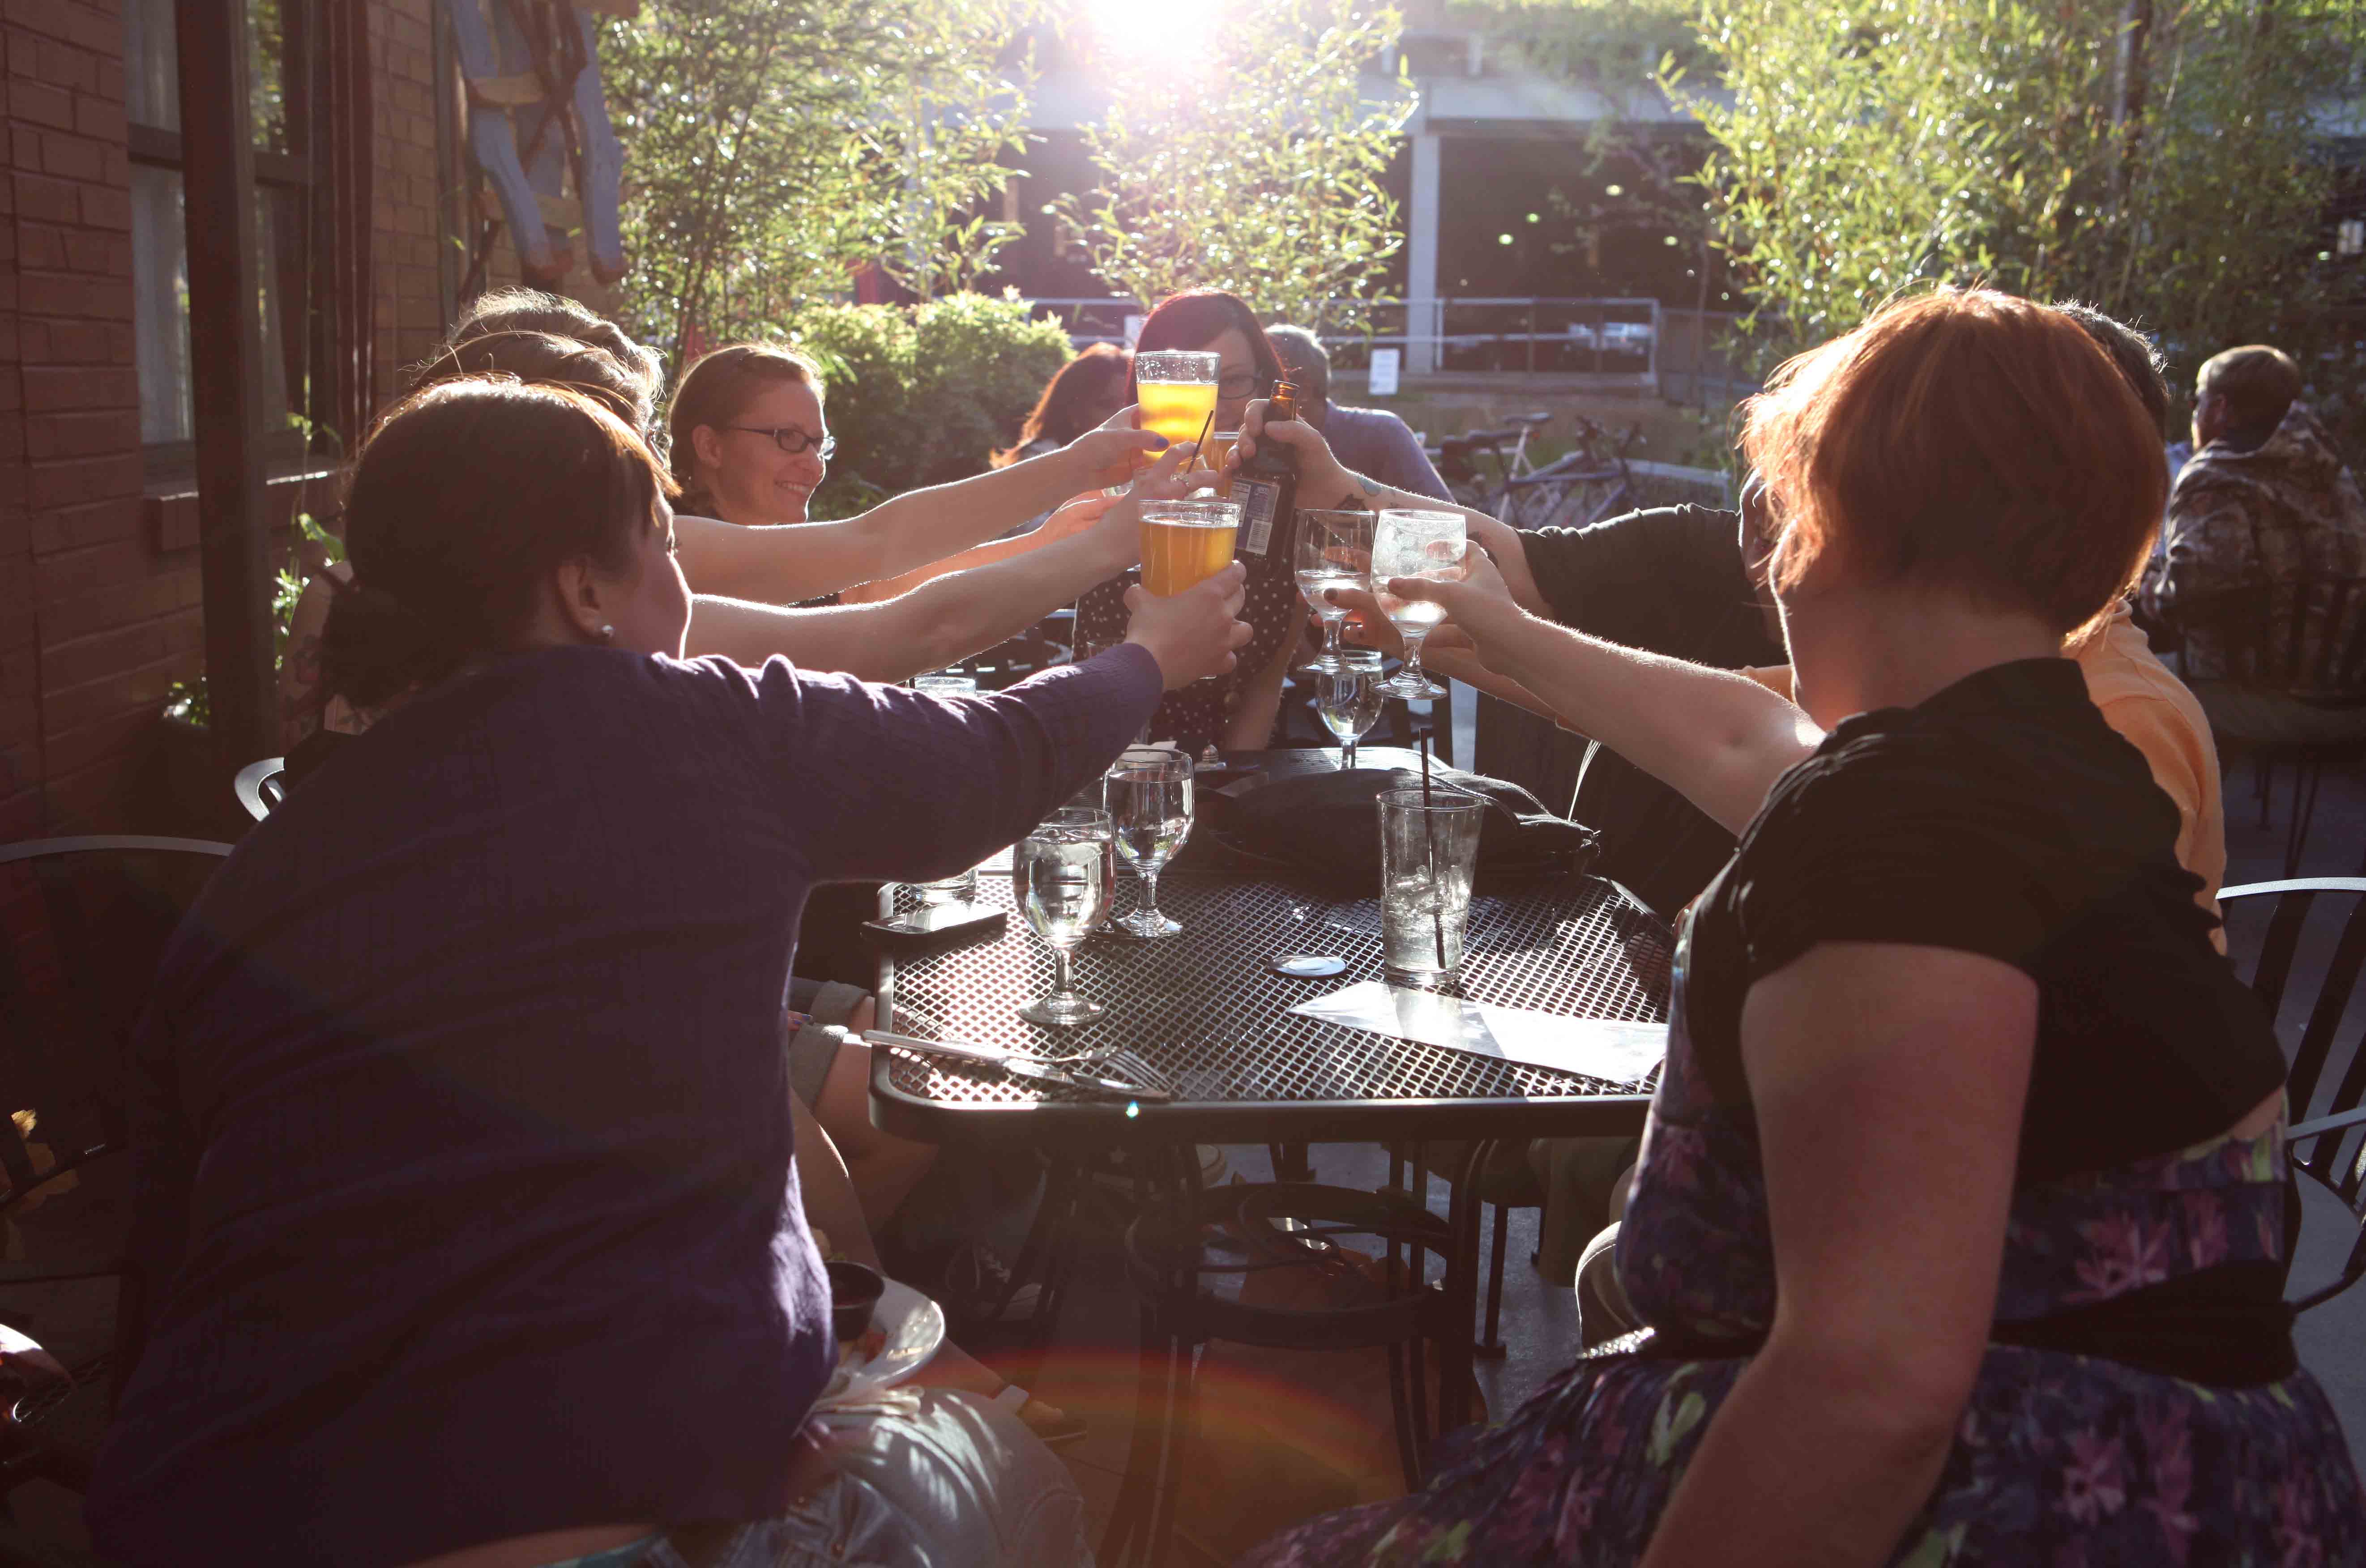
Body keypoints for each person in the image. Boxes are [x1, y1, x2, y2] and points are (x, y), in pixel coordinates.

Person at [1243, 288, 2366, 1567]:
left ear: (1835, 526)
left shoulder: (1897, 842)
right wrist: (1484, 626)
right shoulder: (2050, 761)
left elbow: (1868, 1387)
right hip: (2218, 1491)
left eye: (1780, 514)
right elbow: (1744, 737)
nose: (1767, 563)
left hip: (2008, 1510)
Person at [88, 379, 1252, 1568]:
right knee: (1024, 1493)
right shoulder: (704, 727)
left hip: (215, 1509)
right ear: (582, 588)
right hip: (595, 1525)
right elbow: (994, 760)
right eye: (662, 543)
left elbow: (168, 1248)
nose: (686, 586)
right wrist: (1148, 658)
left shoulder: (271, 865)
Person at [1071, 290, 1308, 754]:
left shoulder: (1284, 505)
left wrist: (1232, 780)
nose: (1213, 405)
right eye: (1191, 381)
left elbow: (1265, 685)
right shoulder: (1117, 505)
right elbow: (1091, 674)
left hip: (1232, 771)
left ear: (1265, 384)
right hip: (1114, 758)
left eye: (1234, 380)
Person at [2140, 343, 2366, 694]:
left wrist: (2149, 584)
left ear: (2220, 408)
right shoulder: (2330, 466)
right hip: (2343, 681)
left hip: (2244, 683)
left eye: (2196, 400)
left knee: (2115, 675)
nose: (2194, 411)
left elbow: (2186, 599)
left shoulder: (2214, 473)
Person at [1264, 324, 1452, 503]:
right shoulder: (1256, 444)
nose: (1252, 397)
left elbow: (1452, 519)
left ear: (1302, 388)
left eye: (1260, 380)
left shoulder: (1382, 434)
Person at [994, 342, 1133, 468]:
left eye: (1128, 403)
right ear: (1074, 409)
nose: (1122, 413)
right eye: (1106, 405)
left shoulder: (1131, 458)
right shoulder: (1042, 459)